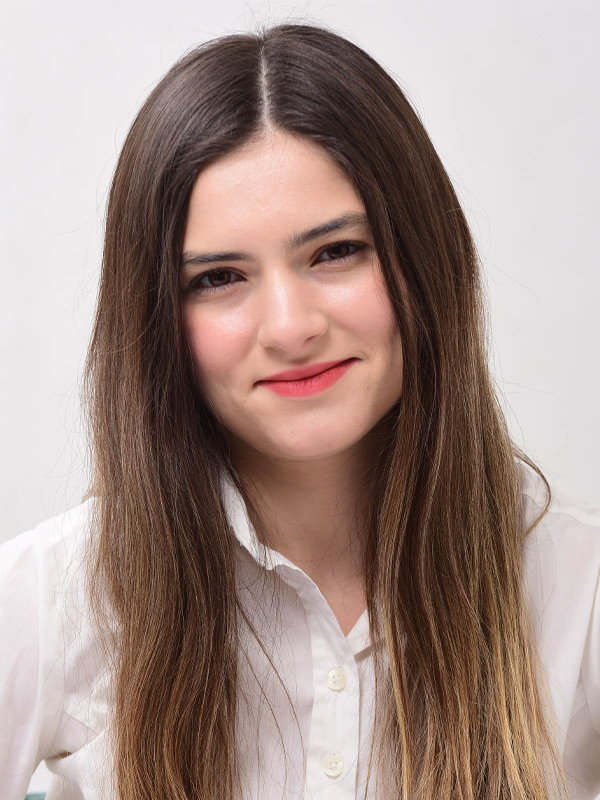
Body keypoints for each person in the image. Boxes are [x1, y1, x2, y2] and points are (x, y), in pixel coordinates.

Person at [1, 22, 598, 800]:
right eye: (219, 278)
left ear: (425, 260)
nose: (290, 328)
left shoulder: (577, 581)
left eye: (335, 252)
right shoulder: (52, 597)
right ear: (156, 321)